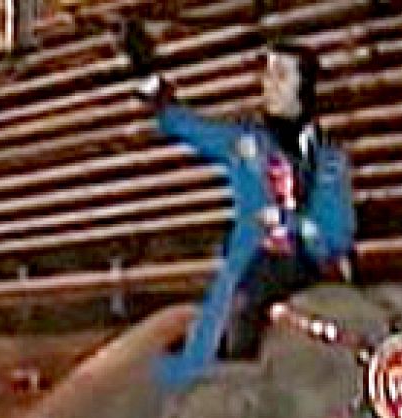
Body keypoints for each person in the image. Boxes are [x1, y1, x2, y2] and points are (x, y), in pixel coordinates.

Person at [120, 21, 356, 388]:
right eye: (266, 74)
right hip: (251, 266)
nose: (268, 84)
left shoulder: (329, 159)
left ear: (304, 88)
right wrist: (150, 76)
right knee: (225, 326)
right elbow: (186, 126)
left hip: (307, 269)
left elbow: (337, 230)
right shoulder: (245, 143)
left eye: (280, 75)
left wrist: (291, 225)